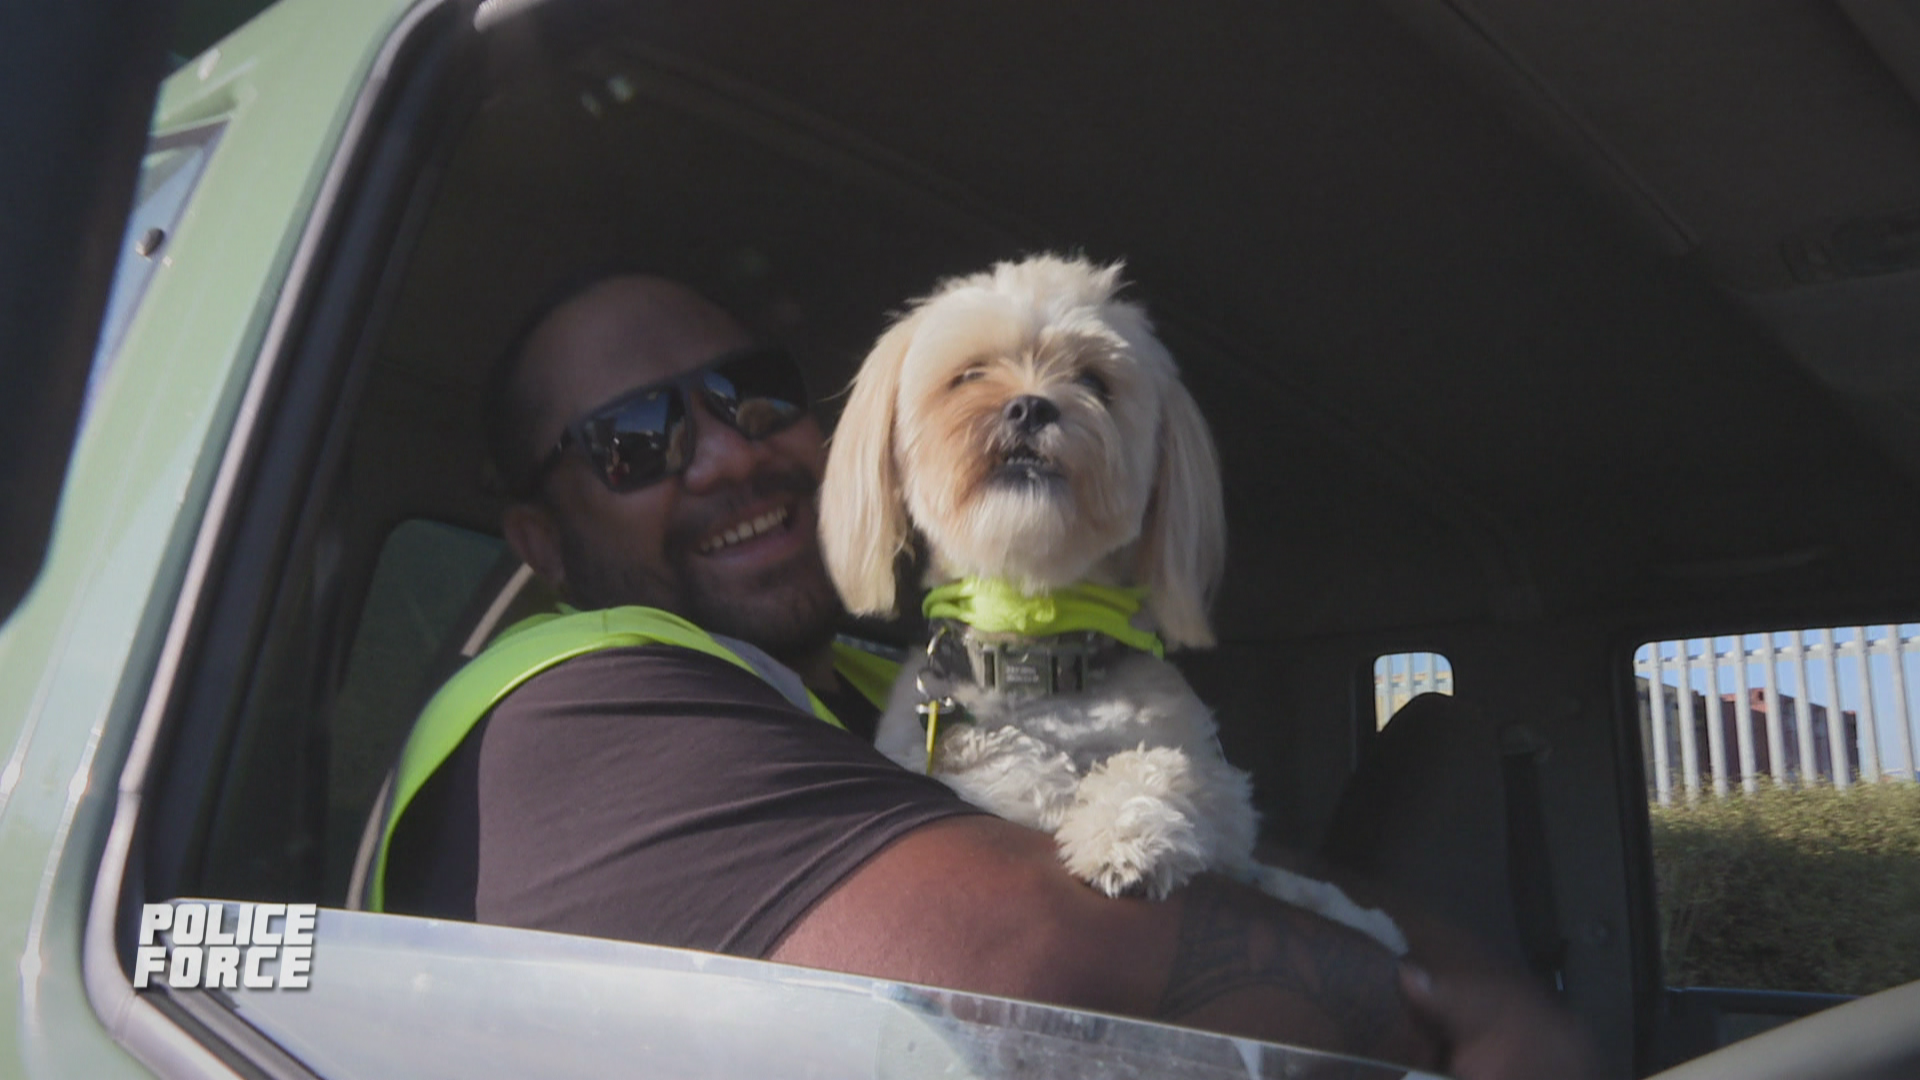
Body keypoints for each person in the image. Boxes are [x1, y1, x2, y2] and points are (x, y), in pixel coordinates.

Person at [377, 272, 1596, 1077]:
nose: (727, 458)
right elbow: (1034, 956)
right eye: (635, 442)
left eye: (748, 394)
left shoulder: (881, 672)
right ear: (542, 541)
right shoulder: (561, 707)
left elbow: (1229, 858)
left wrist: (1450, 955)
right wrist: (1462, 1011)